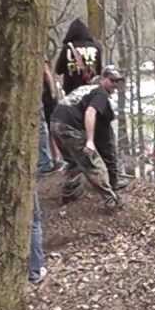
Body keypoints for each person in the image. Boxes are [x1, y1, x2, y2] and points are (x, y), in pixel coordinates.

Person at [50, 65, 123, 208]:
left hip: (55, 124)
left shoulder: (85, 89)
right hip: (70, 128)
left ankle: (69, 195)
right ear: (103, 79)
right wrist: (90, 141)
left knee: (74, 162)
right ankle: (111, 201)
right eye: (112, 80)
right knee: (94, 165)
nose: (115, 85)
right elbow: (90, 112)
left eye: (117, 81)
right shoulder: (100, 93)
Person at [54, 18, 103, 95]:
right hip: (91, 93)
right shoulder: (96, 47)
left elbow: (58, 70)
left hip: (72, 92)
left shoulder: (68, 48)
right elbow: (99, 71)